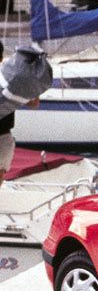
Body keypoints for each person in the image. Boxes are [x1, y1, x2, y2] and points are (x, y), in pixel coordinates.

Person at [0, 41, 40, 189]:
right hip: (4, 136)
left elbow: (33, 102)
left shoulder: (9, 77)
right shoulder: (9, 78)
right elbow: (34, 103)